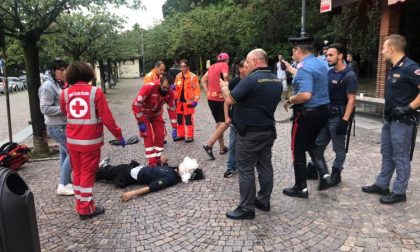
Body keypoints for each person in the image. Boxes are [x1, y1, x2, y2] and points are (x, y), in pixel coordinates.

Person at [221, 49, 283, 220]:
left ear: (255, 61)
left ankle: (246, 208)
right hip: (268, 131)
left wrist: (225, 87)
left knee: (245, 168)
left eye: (248, 63)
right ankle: (263, 200)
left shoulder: (251, 80)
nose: (246, 66)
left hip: (249, 133)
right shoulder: (277, 81)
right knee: (265, 165)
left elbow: (229, 100)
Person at [60, 61, 125, 220]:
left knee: (78, 173)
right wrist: (119, 136)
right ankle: (85, 209)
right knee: (88, 174)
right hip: (90, 142)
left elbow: (64, 111)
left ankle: (81, 204)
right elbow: (107, 118)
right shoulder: (95, 92)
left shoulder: (65, 93)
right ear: (88, 74)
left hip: (73, 141)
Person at [362, 34, 420, 204]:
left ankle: (399, 191)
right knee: (387, 153)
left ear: (391, 49)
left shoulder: (410, 67)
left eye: (384, 48)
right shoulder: (395, 68)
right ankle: (382, 184)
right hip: (389, 119)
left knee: (400, 156)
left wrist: (409, 107)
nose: (382, 52)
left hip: (402, 121)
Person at [282, 36, 332, 198]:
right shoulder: (320, 63)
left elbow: (305, 95)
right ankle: (324, 174)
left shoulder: (304, 68)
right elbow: (309, 77)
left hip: (307, 115)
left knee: (297, 149)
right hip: (323, 112)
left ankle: (300, 187)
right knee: (311, 143)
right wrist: (291, 69)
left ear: (298, 50)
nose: (292, 55)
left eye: (293, 51)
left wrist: (291, 100)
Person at [307, 43, 358, 187]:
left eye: (330, 55)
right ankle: (313, 168)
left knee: (339, 148)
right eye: (327, 55)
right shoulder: (329, 73)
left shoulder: (349, 75)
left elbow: (351, 100)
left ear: (340, 56)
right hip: (326, 115)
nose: (327, 57)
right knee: (318, 144)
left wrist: (345, 121)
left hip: (338, 116)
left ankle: (336, 173)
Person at [95, 156, 205, 201]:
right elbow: (162, 169)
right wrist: (163, 162)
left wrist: (131, 193)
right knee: (115, 168)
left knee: (102, 174)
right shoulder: (174, 170)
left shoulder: (172, 178)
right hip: (134, 168)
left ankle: (89, 176)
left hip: (127, 175)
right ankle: (104, 167)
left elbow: (153, 187)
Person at [39, 59, 73, 196]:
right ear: (54, 70)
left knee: (65, 154)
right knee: (73, 153)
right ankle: (63, 184)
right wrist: (65, 109)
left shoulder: (58, 83)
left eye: (66, 69)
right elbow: (44, 108)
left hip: (61, 124)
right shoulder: (48, 85)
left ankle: (65, 181)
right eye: (61, 69)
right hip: (57, 126)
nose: (64, 72)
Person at [132, 74, 177, 166]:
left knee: (160, 135)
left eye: (167, 88)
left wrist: (174, 127)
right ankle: (151, 162)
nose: (165, 90)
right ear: (160, 83)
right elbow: (136, 104)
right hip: (144, 114)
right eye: (164, 87)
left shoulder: (170, 92)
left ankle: (157, 158)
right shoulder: (149, 87)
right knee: (148, 136)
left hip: (156, 114)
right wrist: (140, 122)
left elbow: (172, 109)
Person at [201, 53, 230, 159]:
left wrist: (208, 91)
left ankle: (222, 148)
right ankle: (209, 145)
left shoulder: (212, 66)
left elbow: (203, 80)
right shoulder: (224, 65)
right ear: (226, 60)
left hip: (211, 99)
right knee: (225, 124)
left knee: (219, 124)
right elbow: (226, 75)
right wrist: (226, 85)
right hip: (220, 99)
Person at [224, 59, 248, 178]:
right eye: (246, 67)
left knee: (247, 146)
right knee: (232, 144)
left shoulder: (252, 81)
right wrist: (227, 116)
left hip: (248, 120)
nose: (248, 69)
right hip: (235, 119)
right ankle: (231, 167)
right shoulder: (234, 82)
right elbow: (227, 101)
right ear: (240, 69)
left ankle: (248, 167)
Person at [173, 59, 200, 143]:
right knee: (179, 119)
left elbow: (196, 89)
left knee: (188, 120)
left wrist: (195, 100)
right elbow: (175, 87)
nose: (182, 68)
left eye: (184, 66)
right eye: (181, 66)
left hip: (188, 102)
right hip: (179, 102)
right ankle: (181, 135)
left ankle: (189, 136)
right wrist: (173, 89)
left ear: (188, 67)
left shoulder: (193, 77)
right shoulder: (178, 76)